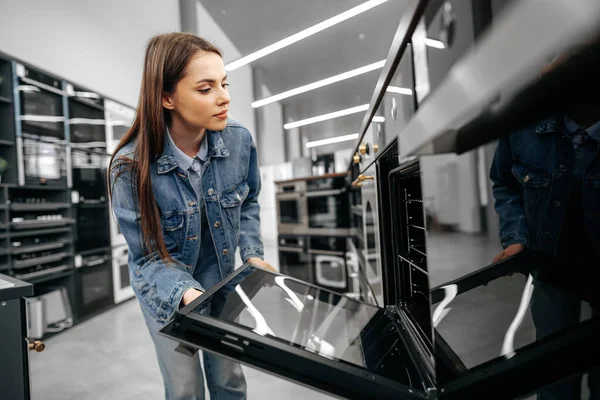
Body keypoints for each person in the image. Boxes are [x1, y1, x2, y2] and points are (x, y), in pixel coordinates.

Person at [108, 32, 275, 400]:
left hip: (221, 280)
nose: (225, 97)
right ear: (166, 97)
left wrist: (252, 253)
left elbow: (249, 200)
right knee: (185, 390)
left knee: (230, 380)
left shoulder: (238, 141)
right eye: (206, 88)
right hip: (165, 290)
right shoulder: (129, 169)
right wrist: (186, 293)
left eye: (224, 83)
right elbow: (149, 256)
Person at [490, 42, 600, 400]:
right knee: (553, 377)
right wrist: (516, 238)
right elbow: (505, 182)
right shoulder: (523, 125)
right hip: (552, 264)